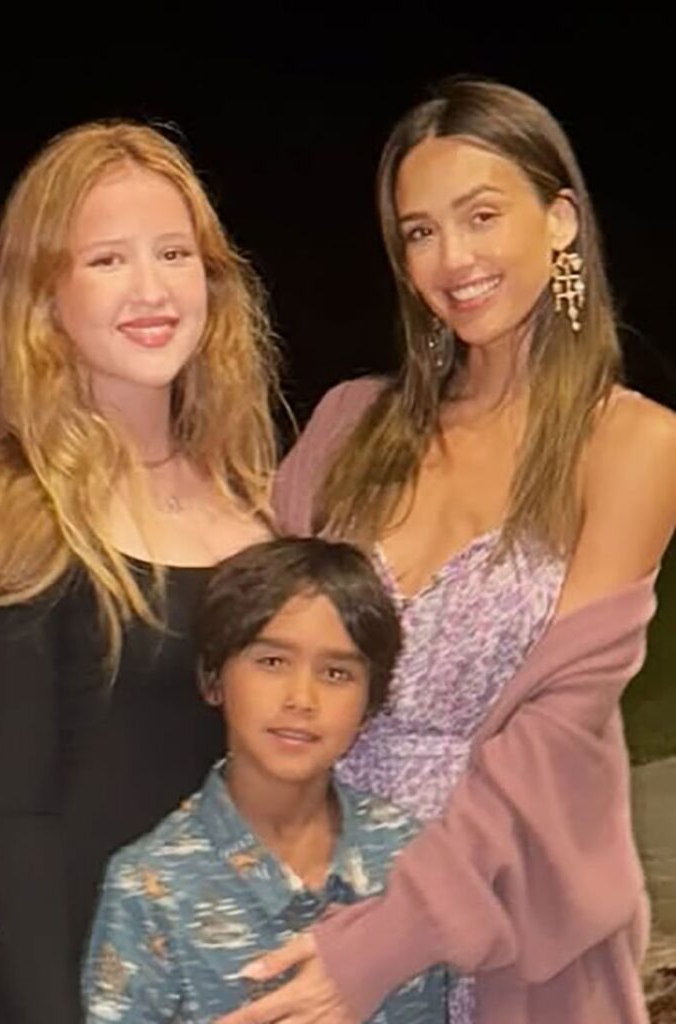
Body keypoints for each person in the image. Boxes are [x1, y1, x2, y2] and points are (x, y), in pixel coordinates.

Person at [221, 78, 676, 1024]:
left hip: (511, 931)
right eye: (420, 232)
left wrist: (387, 941)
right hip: (314, 904)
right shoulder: (349, 425)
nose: (452, 258)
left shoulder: (631, 445)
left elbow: (554, 737)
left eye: (481, 216)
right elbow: (248, 646)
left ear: (560, 220)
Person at [0, 120, 279, 1022]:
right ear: (44, 298)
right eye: (108, 260)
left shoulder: (254, 508)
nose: (151, 288)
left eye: (174, 253)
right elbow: (18, 824)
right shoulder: (18, 517)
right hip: (90, 991)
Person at [83, 536, 448, 1023]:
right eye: (272, 662)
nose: (302, 698)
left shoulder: (410, 857)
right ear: (213, 678)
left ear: (371, 702)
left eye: (336, 673)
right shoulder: (151, 886)